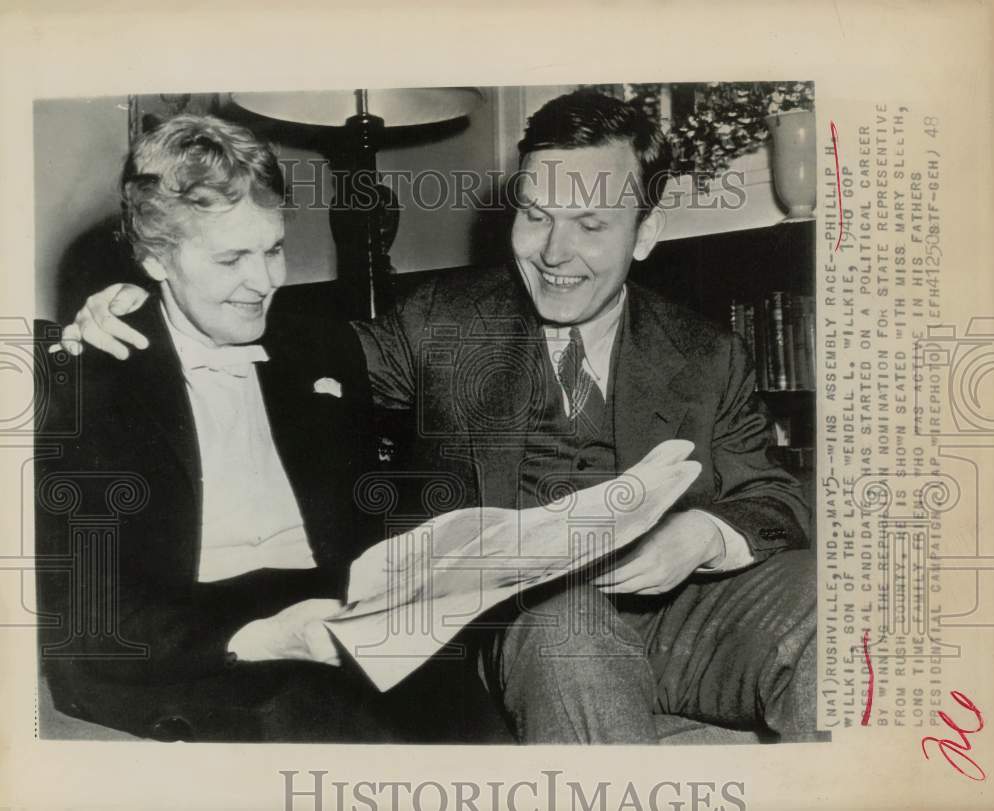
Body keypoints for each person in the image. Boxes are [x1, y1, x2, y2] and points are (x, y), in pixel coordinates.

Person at [58, 91, 818, 744]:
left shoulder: (706, 353)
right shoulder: (440, 325)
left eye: (590, 223)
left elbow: (776, 495)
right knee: (571, 629)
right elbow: (291, 359)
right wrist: (120, 310)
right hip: (537, 619)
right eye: (535, 215)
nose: (555, 252)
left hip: (688, 609)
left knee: (828, 598)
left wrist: (705, 536)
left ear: (644, 233)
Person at [37, 114, 434, 742]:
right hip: (192, 649)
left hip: (329, 618)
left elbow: (368, 522)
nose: (268, 280)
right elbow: (90, 624)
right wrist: (263, 637)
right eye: (231, 259)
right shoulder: (94, 378)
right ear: (155, 259)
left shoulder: (321, 350)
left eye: (273, 248)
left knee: (471, 717)